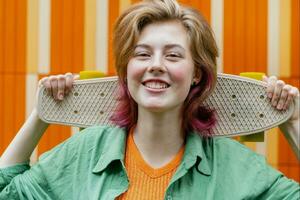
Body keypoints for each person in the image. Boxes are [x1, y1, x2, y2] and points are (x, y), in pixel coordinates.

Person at [0, 0, 299, 199]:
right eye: (142, 54)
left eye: (173, 55)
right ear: (127, 70)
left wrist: (291, 121)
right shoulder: (85, 152)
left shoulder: (235, 166)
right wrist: (41, 115)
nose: (156, 64)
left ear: (197, 73)